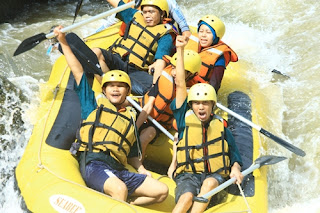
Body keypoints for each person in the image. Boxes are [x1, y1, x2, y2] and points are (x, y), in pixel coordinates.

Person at [54, 26, 168, 205]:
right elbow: (78, 72)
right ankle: (117, 200)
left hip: (118, 169)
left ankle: (127, 206)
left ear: (128, 91)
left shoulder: (130, 117)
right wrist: (63, 42)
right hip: (94, 163)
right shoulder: (92, 104)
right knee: (119, 188)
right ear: (104, 90)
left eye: (120, 86)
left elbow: (131, 153)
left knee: (161, 191)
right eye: (111, 86)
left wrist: (141, 168)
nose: (116, 89)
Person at [168, 35, 243, 213]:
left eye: (205, 103)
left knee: (209, 183)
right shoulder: (183, 118)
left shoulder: (220, 125)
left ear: (212, 106)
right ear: (191, 105)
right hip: (188, 175)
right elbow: (180, 83)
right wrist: (180, 50)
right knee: (186, 197)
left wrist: (236, 169)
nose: (201, 107)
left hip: (214, 176)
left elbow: (234, 154)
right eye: (197, 103)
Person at [136, 35, 201, 161]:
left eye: (181, 70)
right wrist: (136, 127)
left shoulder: (192, 93)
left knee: (145, 137)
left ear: (192, 75)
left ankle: (138, 165)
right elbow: (149, 103)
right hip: (145, 111)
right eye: (173, 67)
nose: (175, 73)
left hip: (160, 124)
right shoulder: (165, 77)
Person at [93, 0, 174, 96]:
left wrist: (154, 87)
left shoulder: (165, 36)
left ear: (162, 13)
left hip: (136, 71)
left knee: (152, 91)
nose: (147, 16)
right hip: (118, 59)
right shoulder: (134, 16)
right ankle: (108, 89)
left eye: (151, 12)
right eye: (145, 12)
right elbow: (118, 3)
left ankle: (123, 95)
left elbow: (160, 62)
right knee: (95, 52)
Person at [185, 15, 238, 93]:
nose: (203, 35)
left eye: (208, 32)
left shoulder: (219, 57)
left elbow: (215, 84)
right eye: (201, 31)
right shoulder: (191, 40)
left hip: (197, 91)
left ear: (216, 36)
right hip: (180, 82)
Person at [98, 0, 191, 40]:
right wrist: (97, 32)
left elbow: (184, 26)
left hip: (159, 35)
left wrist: (185, 34)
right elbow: (110, 22)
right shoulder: (130, 2)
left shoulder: (168, 2)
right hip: (137, 36)